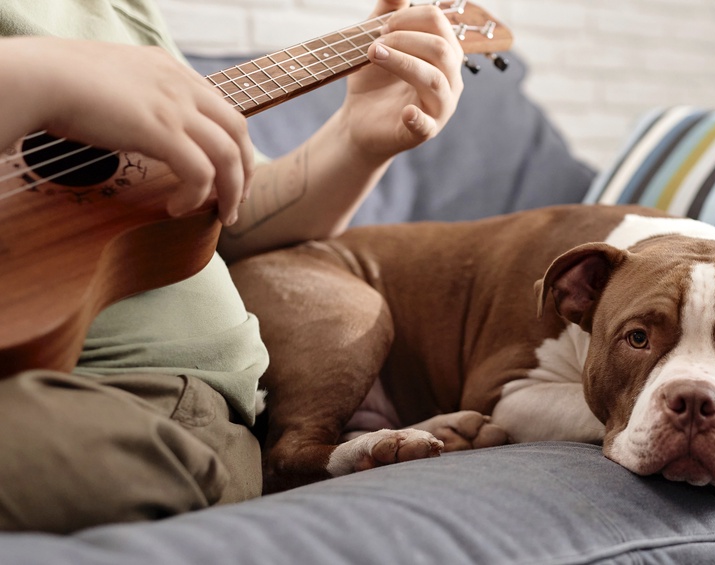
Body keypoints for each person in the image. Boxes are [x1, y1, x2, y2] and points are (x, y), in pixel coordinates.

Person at [0, 0, 463, 533]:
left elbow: (233, 208)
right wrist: (41, 79)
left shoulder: (118, 11)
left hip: (152, 402)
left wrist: (355, 140)